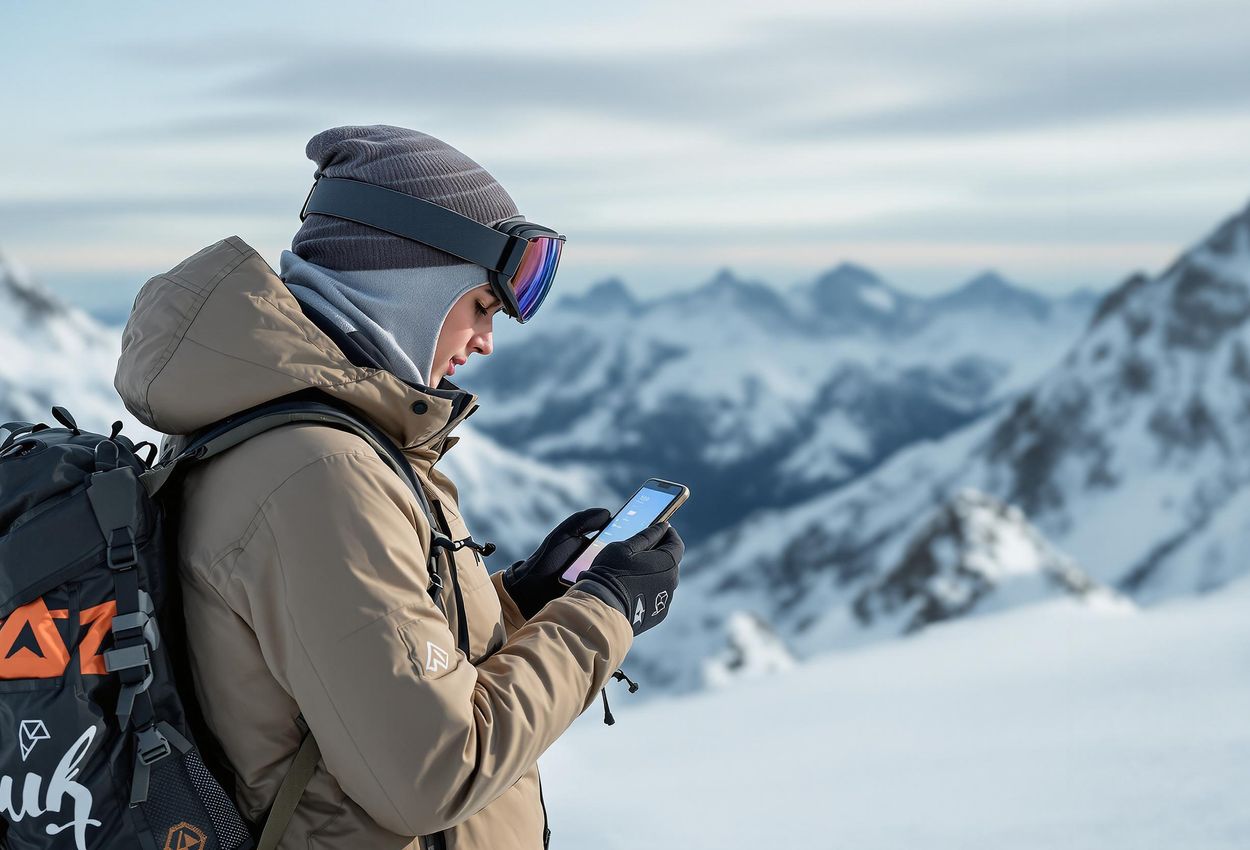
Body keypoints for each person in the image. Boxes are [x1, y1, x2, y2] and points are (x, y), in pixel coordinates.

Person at [113, 124, 684, 850]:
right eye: (482, 306)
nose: (486, 341)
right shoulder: (318, 473)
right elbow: (437, 770)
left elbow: (353, 669)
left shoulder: (293, 436)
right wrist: (604, 613)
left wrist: (522, 604)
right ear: (409, 287)